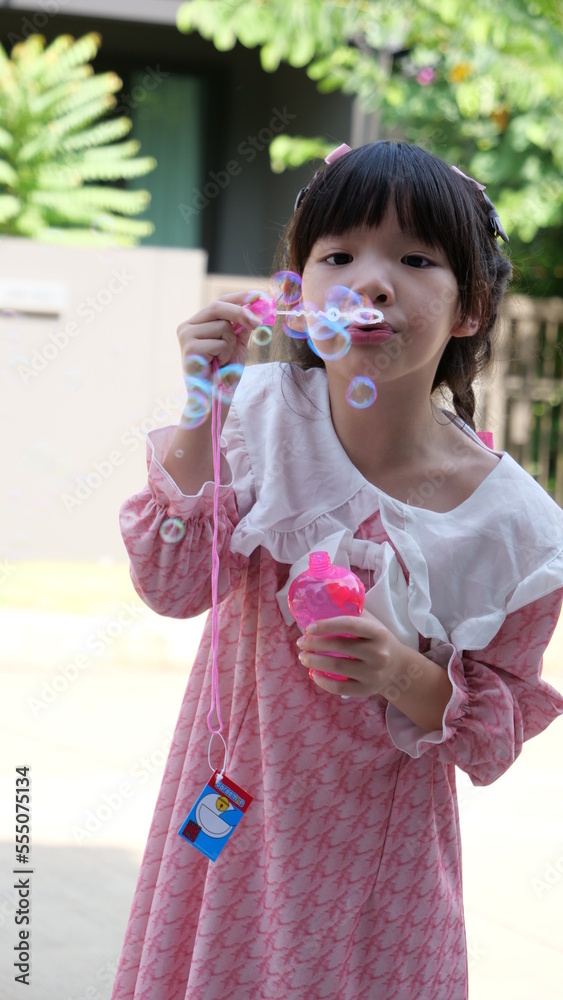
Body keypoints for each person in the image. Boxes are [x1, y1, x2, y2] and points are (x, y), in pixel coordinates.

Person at [112, 141, 563, 1000]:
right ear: (297, 292)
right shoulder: (254, 419)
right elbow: (170, 588)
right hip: (224, 840)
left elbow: (492, 737)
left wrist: (400, 674)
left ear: (469, 308)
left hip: (375, 890)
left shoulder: (514, 528)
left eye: (414, 259)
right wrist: (201, 404)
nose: (371, 283)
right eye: (338, 256)